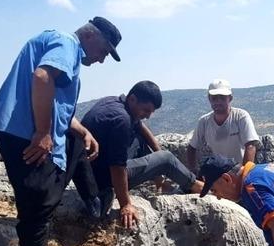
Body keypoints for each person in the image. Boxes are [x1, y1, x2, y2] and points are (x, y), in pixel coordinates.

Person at [0, 16, 121, 246]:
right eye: (104, 51)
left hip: (23, 130)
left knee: (78, 144)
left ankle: (93, 202)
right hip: (24, 134)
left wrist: (82, 130)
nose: (101, 60)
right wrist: (43, 132)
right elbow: (42, 78)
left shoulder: (62, 45)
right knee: (35, 216)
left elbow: (57, 102)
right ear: (92, 36)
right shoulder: (66, 43)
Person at [71, 81, 204, 228]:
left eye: (151, 112)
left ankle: (164, 181)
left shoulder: (114, 102)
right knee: (166, 159)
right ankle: (196, 186)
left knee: (142, 140)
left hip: (90, 169)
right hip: (103, 178)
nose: (147, 116)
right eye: (146, 110)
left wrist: (157, 153)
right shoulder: (122, 120)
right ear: (133, 99)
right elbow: (117, 167)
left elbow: (140, 127)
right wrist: (126, 204)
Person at [186, 79, 259, 170]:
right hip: (217, 173)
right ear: (209, 99)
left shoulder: (240, 116)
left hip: (238, 170)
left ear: (230, 98)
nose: (218, 101)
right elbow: (192, 148)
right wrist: (193, 173)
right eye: (214, 97)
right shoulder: (204, 121)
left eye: (222, 97)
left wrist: (244, 175)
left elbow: (250, 146)